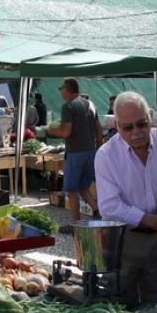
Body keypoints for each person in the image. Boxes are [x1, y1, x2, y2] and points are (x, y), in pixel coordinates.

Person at [95, 91, 157, 306]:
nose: (136, 132)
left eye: (142, 124)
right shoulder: (106, 155)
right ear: (116, 126)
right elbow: (109, 207)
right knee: (121, 305)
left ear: (150, 117)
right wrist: (152, 220)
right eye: (128, 127)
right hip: (125, 241)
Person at [47, 77, 102, 232]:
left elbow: (66, 131)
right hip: (91, 151)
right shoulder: (90, 104)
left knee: (72, 190)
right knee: (83, 187)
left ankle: (75, 225)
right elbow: (98, 129)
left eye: (61, 88)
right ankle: (98, 211)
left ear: (68, 89)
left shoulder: (68, 106)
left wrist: (51, 131)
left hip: (76, 153)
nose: (60, 91)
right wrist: (99, 148)